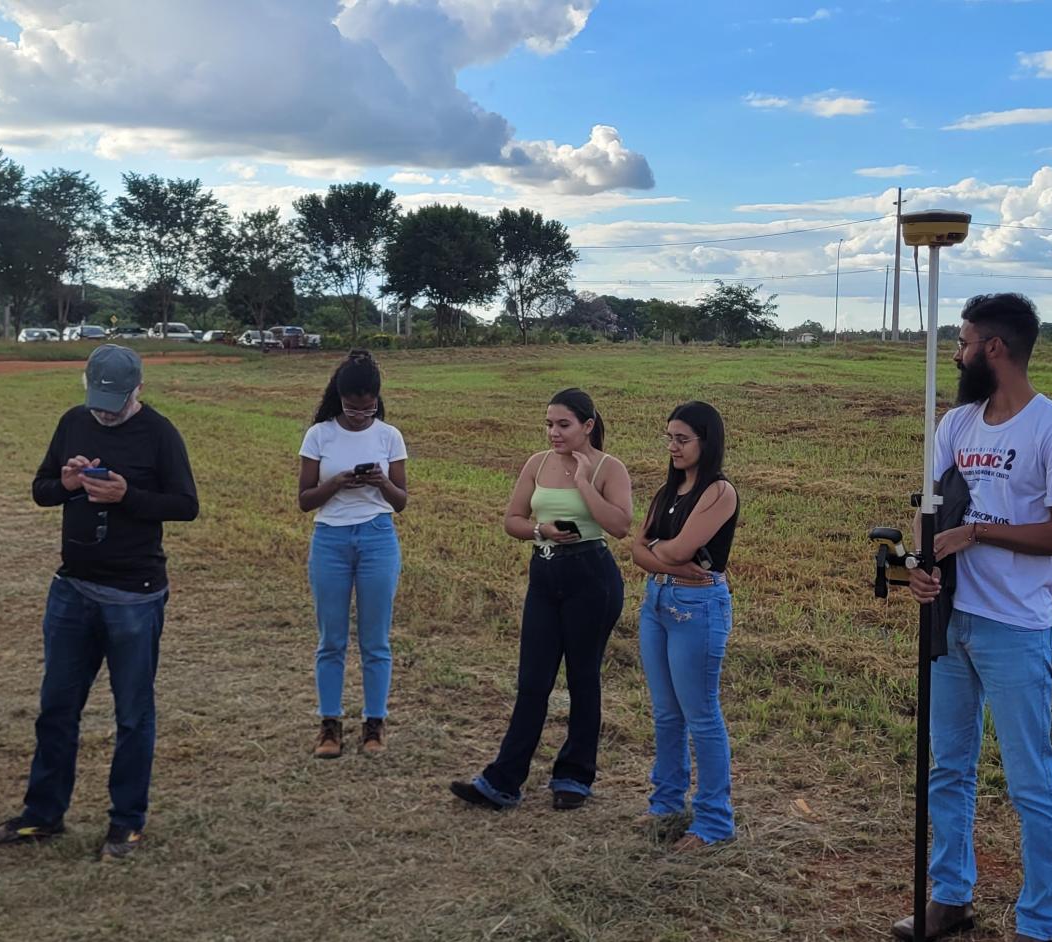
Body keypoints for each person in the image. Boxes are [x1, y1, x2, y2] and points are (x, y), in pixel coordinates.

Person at [895, 293, 1052, 942]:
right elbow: (932, 518)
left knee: (1030, 780)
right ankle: (949, 897)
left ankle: (1038, 924)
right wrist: (918, 568)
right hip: (952, 621)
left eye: (963, 343)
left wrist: (980, 532)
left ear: (995, 349)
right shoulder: (956, 425)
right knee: (948, 766)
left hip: (1016, 630)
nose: (957, 354)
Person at [0, 345, 198, 860]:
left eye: (116, 403)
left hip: (134, 595)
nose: (105, 412)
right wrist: (67, 483)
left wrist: (129, 497)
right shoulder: (72, 423)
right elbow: (41, 490)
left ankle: (126, 823)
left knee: (132, 715)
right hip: (72, 589)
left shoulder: (160, 434)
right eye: (98, 400)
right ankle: (42, 815)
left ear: (138, 389)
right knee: (56, 708)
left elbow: (186, 505)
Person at [450, 389, 633, 811]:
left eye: (563, 424)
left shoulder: (609, 468)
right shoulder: (536, 463)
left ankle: (574, 777)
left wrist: (584, 482)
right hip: (545, 572)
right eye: (549, 424)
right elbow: (512, 520)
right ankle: (502, 782)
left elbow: (620, 526)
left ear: (588, 425)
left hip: (592, 577)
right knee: (532, 682)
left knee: (583, 679)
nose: (554, 432)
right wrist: (540, 532)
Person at [630, 401, 740, 851]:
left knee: (701, 715)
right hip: (657, 602)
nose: (672, 447)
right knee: (666, 713)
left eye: (682, 439)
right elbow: (639, 552)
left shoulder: (719, 492)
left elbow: (675, 551)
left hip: (697, 607)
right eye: (669, 437)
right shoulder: (666, 491)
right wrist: (664, 554)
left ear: (705, 442)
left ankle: (714, 822)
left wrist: (661, 553)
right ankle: (667, 806)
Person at [296, 351, 408, 759]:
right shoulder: (319, 435)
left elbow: (401, 502)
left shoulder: (389, 436)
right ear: (338, 398)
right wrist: (337, 483)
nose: (361, 415)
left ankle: (374, 724)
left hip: (378, 537)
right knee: (332, 639)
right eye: (353, 408)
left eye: (369, 408)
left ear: (377, 399)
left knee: (376, 640)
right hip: (330, 539)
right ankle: (330, 726)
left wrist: (380, 483)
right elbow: (305, 500)